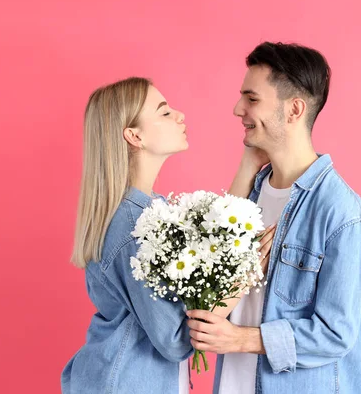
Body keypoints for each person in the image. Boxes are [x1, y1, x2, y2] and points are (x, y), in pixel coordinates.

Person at [187, 42, 361, 394]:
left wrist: (239, 340)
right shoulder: (250, 193)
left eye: (252, 98)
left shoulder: (341, 214)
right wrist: (248, 164)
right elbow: (207, 283)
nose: (238, 109)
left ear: (294, 109)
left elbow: (336, 334)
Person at [61, 77, 275, 394]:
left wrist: (248, 165)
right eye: (163, 112)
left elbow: (209, 251)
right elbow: (175, 339)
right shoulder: (135, 226)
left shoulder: (149, 210)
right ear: (134, 136)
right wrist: (245, 272)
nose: (179, 115)